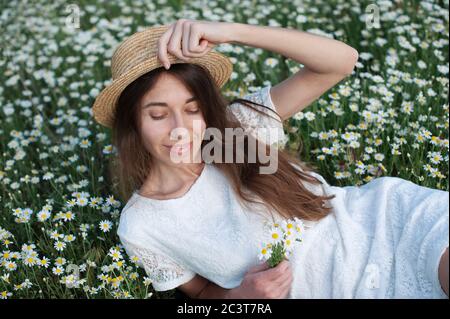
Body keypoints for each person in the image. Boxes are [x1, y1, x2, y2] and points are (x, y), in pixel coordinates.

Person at [92, 20, 449, 299]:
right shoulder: (142, 226)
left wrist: (231, 32)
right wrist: (239, 295)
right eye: (158, 115)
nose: (180, 129)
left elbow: (341, 62)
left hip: (387, 224)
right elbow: (200, 295)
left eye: (193, 109)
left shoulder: (238, 129)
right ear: (133, 124)